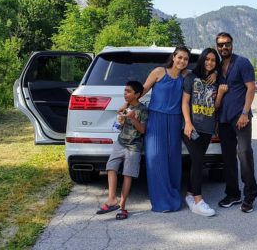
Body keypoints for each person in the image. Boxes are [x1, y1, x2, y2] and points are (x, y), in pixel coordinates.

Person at [143, 46, 191, 212]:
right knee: (156, 158)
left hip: (175, 121)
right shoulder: (159, 72)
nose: (182, 61)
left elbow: (203, 75)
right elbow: (142, 90)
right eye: (180, 57)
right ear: (173, 57)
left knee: (173, 160)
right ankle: (161, 201)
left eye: (185, 59)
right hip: (156, 119)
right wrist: (127, 103)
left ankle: (173, 197)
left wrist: (213, 74)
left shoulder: (185, 76)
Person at [215, 32, 257, 213]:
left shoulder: (242, 62)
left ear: (232, 44)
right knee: (228, 158)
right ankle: (233, 194)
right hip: (223, 119)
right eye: (221, 45)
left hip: (240, 118)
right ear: (217, 46)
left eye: (227, 44)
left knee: (244, 154)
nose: (224, 47)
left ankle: (250, 196)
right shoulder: (216, 67)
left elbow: (251, 88)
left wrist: (245, 113)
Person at [182, 48, 227, 216]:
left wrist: (220, 93)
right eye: (207, 59)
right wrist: (187, 122)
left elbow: (214, 106)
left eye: (213, 60)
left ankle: (189, 194)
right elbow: (185, 102)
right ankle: (198, 200)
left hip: (207, 128)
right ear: (202, 60)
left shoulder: (215, 80)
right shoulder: (191, 78)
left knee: (197, 161)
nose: (209, 62)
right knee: (198, 160)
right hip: (191, 127)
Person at [96, 81, 148, 220]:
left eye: (129, 91)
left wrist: (133, 119)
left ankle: (122, 207)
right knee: (111, 167)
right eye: (125, 91)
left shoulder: (142, 109)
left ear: (137, 94)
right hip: (120, 142)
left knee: (127, 174)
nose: (125, 94)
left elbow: (142, 130)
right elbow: (121, 123)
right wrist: (121, 120)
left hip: (134, 146)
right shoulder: (126, 107)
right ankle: (112, 198)